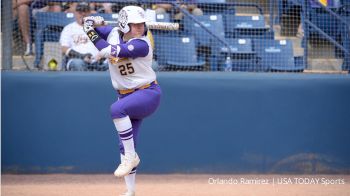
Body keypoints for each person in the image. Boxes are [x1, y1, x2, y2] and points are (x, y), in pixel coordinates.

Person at [82, 6, 162, 196]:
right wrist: (91, 22)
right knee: (125, 144)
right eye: (134, 25)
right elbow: (92, 27)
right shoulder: (112, 33)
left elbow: (106, 49)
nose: (139, 28)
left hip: (147, 93)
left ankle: (131, 158)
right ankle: (130, 190)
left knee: (116, 110)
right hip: (125, 94)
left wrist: (89, 30)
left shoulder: (142, 44)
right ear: (124, 25)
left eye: (141, 24)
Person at [59, 2, 108, 71]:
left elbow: (108, 46)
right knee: (78, 64)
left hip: (98, 61)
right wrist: (81, 56)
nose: (83, 14)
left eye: (85, 11)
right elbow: (64, 48)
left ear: (90, 13)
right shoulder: (68, 28)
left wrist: (101, 56)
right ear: (75, 13)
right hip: (77, 59)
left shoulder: (98, 27)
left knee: (113, 63)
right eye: (80, 11)